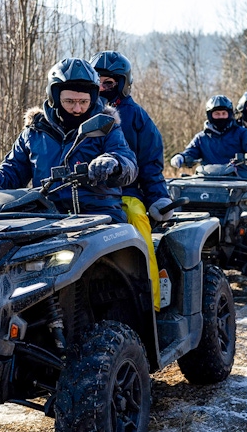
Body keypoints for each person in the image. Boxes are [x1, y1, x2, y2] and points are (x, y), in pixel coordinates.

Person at [0, 58, 138, 224]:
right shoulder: (34, 132)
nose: (77, 108)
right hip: (46, 218)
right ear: (55, 98)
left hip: (99, 217)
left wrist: (113, 163)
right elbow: (10, 175)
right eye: (69, 101)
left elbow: (127, 161)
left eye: (83, 101)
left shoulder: (106, 126)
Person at [90, 50, 172, 312]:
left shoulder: (136, 117)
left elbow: (150, 163)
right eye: (97, 82)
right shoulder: (80, 112)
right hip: (80, 196)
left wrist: (158, 196)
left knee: (138, 223)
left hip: (126, 192)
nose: (102, 88)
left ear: (123, 84)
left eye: (109, 83)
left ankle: (152, 304)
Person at [170, 95, 247, 179]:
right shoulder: (201, 138)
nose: (221, 117)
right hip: (207, 181)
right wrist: (181, 157)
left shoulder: (241, 132)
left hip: (238, 182)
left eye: (224, 113)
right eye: (217, 114)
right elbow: (191, 152)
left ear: (229, 115)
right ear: (210, 115)